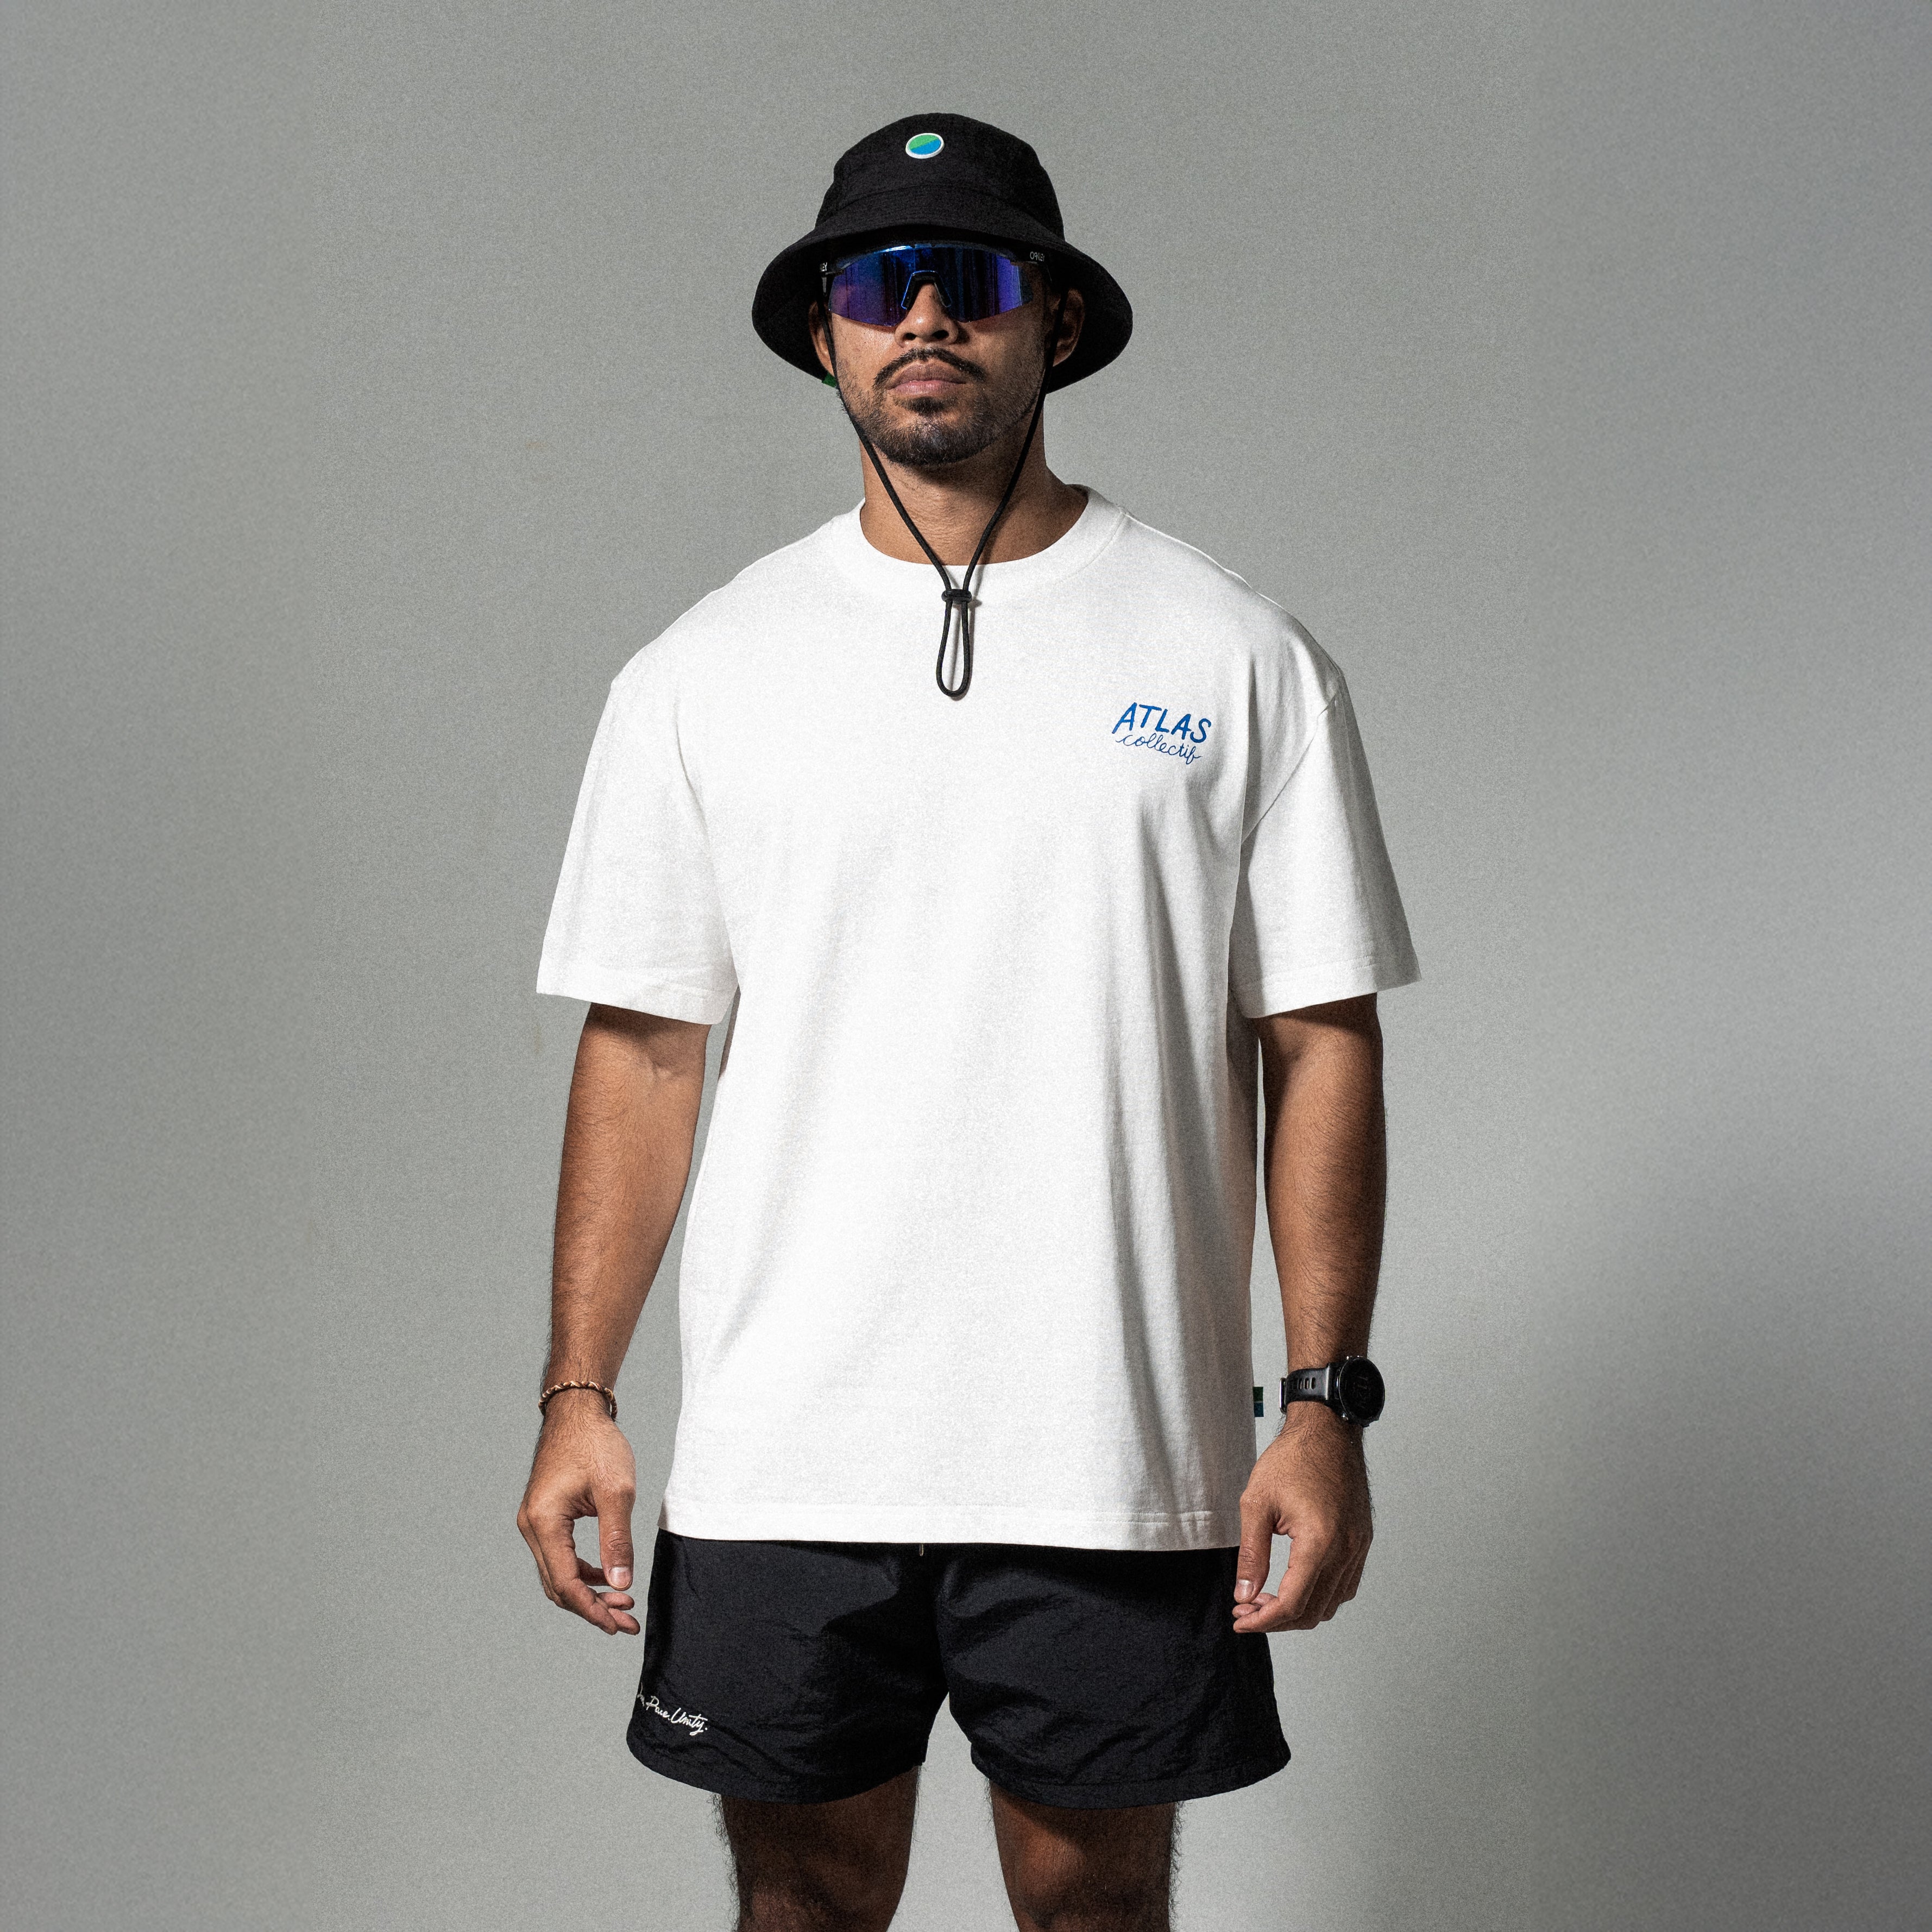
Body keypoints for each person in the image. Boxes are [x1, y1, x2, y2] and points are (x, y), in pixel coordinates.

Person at [517, 112, 1419, 1932]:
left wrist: (1325, 1405)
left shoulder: (1235, 654)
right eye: (879, 283)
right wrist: (577, 1394)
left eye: (974, 277)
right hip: (789, 1449)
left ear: (1055, 321)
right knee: (803, 1906)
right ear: (827, 332)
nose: (924, 315)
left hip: (1117, 1450)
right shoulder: (701, 675)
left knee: (1096, 1911)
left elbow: (1319, 1042)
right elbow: (645, 1053)